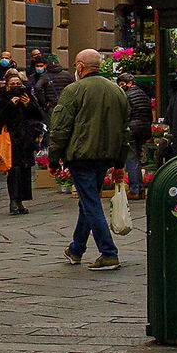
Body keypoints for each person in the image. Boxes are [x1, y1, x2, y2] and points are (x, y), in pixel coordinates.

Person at [46, 49, 130, 268]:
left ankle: (109, 252)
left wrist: (53, 160)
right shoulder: (117, 90)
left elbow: (60, 128)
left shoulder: (73, 91)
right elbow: (124, 131)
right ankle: (76, 249)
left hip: (81, 156)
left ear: (80, 67)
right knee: (88, 201)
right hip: (106, 155)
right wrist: (120, 163)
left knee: (91, 203)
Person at [0, 72, 45, 215]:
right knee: (14, 171)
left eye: (18, 84)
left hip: (26, 139)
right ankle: (13, 200)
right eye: (12, 84)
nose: (15, 86)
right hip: (10, 140)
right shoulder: (2, 99)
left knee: (25, 170)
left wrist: (29, 105)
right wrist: (10, 105)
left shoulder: (27, 97)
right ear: (7, 87)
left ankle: (21, 200)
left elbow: (39, 115)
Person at [122, 74, 155, 196]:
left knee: (131, 158)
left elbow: (126, 113)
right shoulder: (144, 94)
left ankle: (135, 189)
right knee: (138, 158)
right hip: (144, 129)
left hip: (132, 129)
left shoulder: (127, 96)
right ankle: (140, 188)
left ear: (128, 83)